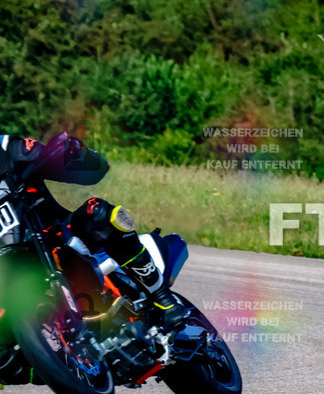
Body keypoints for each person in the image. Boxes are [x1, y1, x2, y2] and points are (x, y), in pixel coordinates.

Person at [0, 133, 186, 327]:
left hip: (59, 239)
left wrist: (73, 153)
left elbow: (97, 170)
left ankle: (162, 298)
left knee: (97, 211)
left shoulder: (10, 150)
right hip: (9, 275)